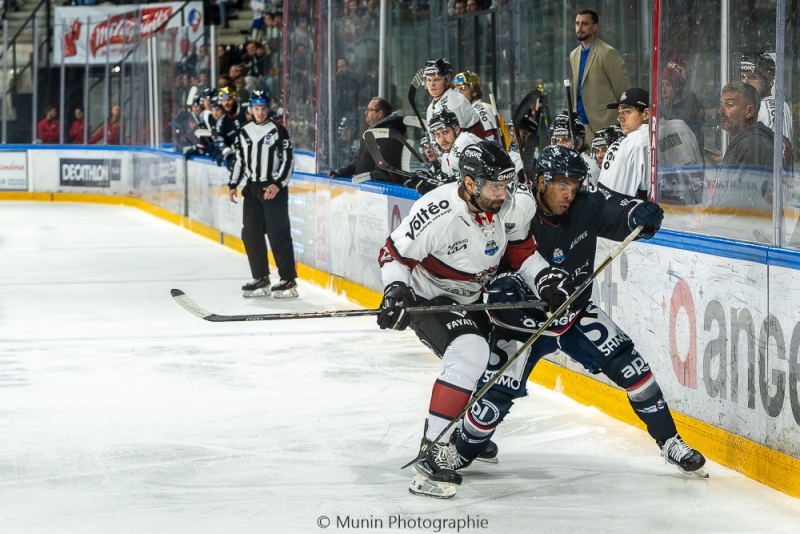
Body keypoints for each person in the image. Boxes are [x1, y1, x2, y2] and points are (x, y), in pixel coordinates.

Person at [446, 145, 707, 500]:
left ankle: (671, 442)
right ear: (540, 182)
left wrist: (641, 215)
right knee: (492, 405)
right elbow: (482, 259)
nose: (569, 192)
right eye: (560, 184)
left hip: (574, 313)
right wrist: (503, 287)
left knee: (634, 369)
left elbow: (624, 213)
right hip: (520, 324)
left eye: (574, 184)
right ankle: (459, 447)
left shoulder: (587, 203)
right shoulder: (512, 210)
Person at [376, 140, 550, 499]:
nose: (503, 193)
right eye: (494, 186)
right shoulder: (437, 212)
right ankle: (432, 451)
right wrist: (395, 290)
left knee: (499, 358)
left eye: (506, 184)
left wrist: (545, 278)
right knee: (470, 351)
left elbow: (521, 250)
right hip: (431, 297)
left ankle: (463, 436)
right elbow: (392, 254)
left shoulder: (512, 205)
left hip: (474, 296)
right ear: (469, 183)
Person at [228, 90, 299, 299]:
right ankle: (261, 277)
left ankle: (287, 280)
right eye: (256, 109)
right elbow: (239, 160)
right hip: (252, 188)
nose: (260, 113)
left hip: (272, 189)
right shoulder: (244, 131)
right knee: (250, 233)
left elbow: (288, 160)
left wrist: (278, 184)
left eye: (263, 109)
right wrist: (233, 184)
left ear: (268, 109)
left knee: (278, 233)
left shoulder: (278, 130)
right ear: (251, 109)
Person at [569, 9, 629, 140]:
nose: (579, 27)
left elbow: (622, 93)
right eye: (577, 23)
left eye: (584, 24)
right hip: (580, 126)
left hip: (604, 125)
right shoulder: (574, 55)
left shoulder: (608, 53)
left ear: (595, 27)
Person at [329, 97, 407, 184]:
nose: (365, 112)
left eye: (369, 110)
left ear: (380, 113)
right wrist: (341, 172)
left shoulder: (389, 136)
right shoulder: (374, 134)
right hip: (367, 191)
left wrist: (366, 178)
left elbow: (385, 172)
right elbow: (362, 161)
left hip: (377, 194)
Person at [598, 88, 651, 199]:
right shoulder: (678, 127)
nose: (619, 118)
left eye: (626, 111)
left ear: (646, 114)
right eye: (620, 112)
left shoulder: (637, 141)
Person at [422, 58, 485, 140]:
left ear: (447, 81)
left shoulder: (454, 101)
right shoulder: (431, 107)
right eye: (429, 80)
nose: (432, 84)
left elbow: (456, 139)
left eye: (437, 80)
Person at [740, 52, 793, 144]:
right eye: (742, 77)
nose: (746, 82)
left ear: (769, 78)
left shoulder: (763, 108)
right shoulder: (781, 104)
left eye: (752, 77)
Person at [660, 53, 705, 155]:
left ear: (678, 89)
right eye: (662, 84)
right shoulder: (665, 112)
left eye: (668, 85)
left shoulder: (685, 115)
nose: (663, 90)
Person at [451, 70, 502, 145]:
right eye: (455, 90)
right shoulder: (465, 111)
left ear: (474, 92)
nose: (457, 93)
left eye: (462, 89)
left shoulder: (482, 108)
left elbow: (492, 140)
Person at [549, 110, 600, 185]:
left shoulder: (591, 170)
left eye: (566, 140)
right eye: (556, 140)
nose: (559, 145)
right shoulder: (548, 165)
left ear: (579, 143)